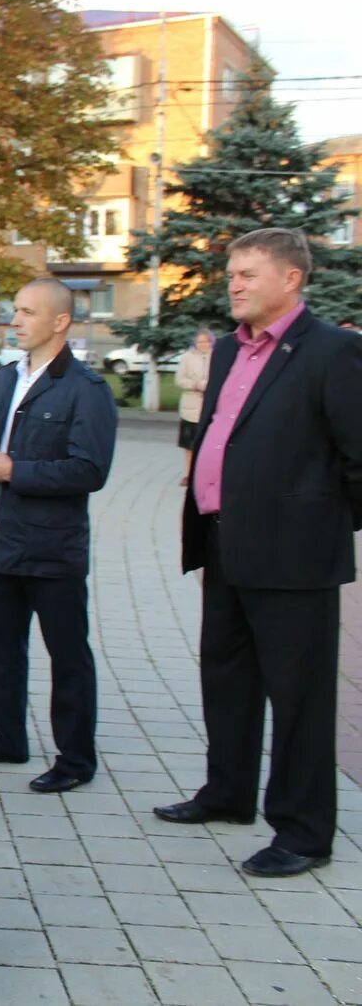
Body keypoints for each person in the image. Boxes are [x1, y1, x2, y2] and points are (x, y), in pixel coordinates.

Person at [156, 228, 362, 877]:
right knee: (226, 675)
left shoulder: (333, 351)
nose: (234, 283)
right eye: (232, 273)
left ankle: (302, 832)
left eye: (248, 273)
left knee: (298, 698)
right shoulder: (226, 353)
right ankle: (227, 793)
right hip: (224, 543)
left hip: (295, 559)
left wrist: (319, 524)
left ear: (291, 278)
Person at [0, 277, 117, 794]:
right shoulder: (5, 380)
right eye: (15, 310)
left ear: (60, 322)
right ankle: (7, 738)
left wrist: (14, 470)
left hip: (54, 550)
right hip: (0, 544)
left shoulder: (86, 390)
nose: (16, 320)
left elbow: (89, 471)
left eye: (28, 312)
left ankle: (76, 759)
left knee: (68, 655)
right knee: (3, 649)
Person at [175, 328, 212, 485]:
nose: (203, 344)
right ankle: (189, 474)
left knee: (207, 444)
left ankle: (205, 474)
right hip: (191, 407)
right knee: (189, 444)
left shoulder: (216, 356)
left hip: (209, 406)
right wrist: (195, 384)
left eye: (206, 341)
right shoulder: (187, 358)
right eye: (200, 342)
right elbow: (179, 380)